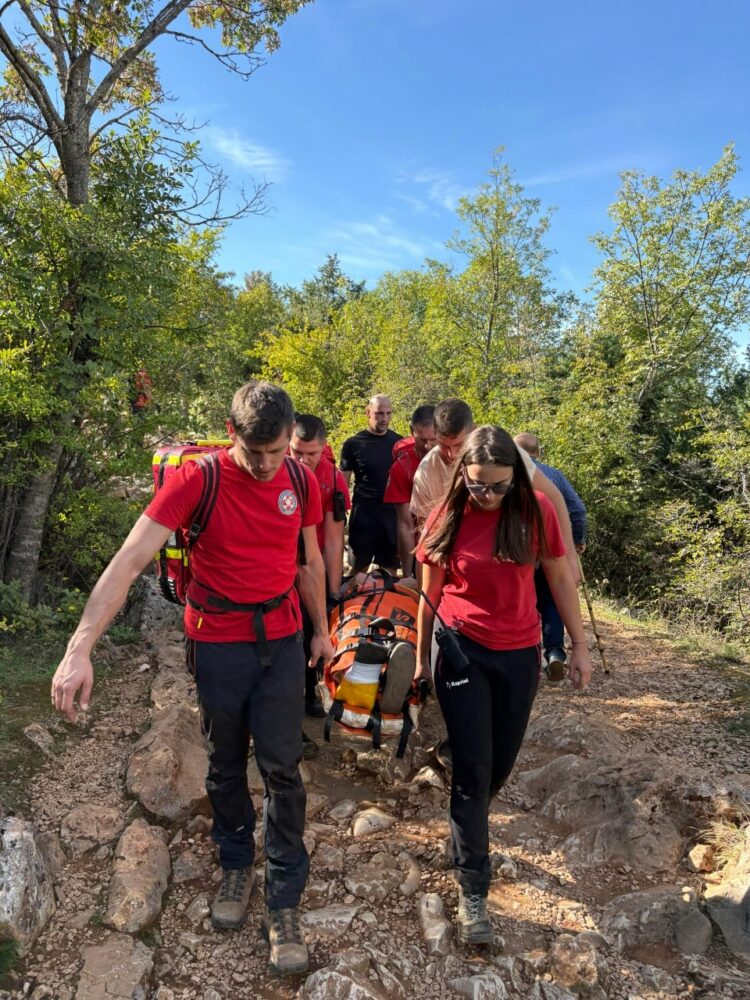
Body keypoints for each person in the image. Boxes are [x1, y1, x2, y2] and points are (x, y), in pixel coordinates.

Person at [50, 381, 334, 977]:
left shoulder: (302, 480)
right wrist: (80, 648)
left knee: (282, 767)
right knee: (226, 760)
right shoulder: (198, 480)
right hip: (218, 641)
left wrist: (322, 630)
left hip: (281, 639)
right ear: (231, 433)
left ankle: (283, 898)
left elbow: (306, 560)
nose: (264, 466)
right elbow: (129, 560)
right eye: (254, 452)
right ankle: (236, 860)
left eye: (276, 452)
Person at [414, 426, 592, 945]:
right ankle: (474, 891)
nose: (485, 495)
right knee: (474, 773)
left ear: (515, 477)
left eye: (495, 486)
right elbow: (429, 593)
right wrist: (424, 662)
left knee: (499, 766)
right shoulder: (448, 515)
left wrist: (578, 646)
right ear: (462, 477)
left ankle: (462, 811)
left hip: (518, 653)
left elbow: (560, 577)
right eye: (475, 485)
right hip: (461, 648)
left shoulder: (535, 510)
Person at [411, 398, 580, 586]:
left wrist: (570, 557)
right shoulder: (427, 470)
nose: (451, 454)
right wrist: (422, 593)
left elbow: (554, 497)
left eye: (459, 445)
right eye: (443, 445)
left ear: (473, 431)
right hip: (463, 563)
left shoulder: (502, 451)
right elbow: (426, 539)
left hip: (517, 552)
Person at [289, 414, 351, 751]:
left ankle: (311, 689)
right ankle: (289, 717)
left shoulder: (332, 479)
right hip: (282, 571)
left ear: (324, 448)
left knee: (315, 632)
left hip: (312, 567)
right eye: (297, 452)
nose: (303, 460)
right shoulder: (277, 471)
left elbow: (333, 540)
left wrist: (332, 591)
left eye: (310, 454)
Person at [514, 433, 588, 677]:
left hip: (523, 548)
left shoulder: (513, 472)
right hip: (553, 548)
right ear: (539, 451)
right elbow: (577, 509)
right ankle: (555, 652)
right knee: (553, 598)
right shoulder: (555, 475)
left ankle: (529, 652)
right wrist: (576, 542)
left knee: (526, 600)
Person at [340, 394, 402, 573]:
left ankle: (387, 601)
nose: (384, 419)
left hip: (391, 514)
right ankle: (353, 601)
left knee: (389, 569)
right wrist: (341, 511)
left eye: (388, 413)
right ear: (368, 413)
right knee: (358, 568)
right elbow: (343, 481)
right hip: (364, 515)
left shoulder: (399, 443)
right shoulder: (353, 444)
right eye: (379, 413)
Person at [383, 404, 436, 577]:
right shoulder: (402, 468)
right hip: (422, 543)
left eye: (433, 439)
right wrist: (407, 574)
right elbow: (405, 524)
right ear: (412, 431)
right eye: (422, 440)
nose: (428, 446)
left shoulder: (455, 458)